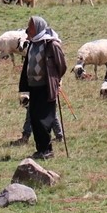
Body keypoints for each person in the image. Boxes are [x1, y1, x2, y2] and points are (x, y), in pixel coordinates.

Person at [18, 15, 67, 160]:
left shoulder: (50, 44)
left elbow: (61, 65)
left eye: (31, 26)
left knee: (43, 119)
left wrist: (55, 80)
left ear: (38, 27)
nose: (28, 29)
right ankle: (40, 149)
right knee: (34, 118)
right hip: (34, 87)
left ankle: (47, 150)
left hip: (46, 87)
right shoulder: (33, 43)